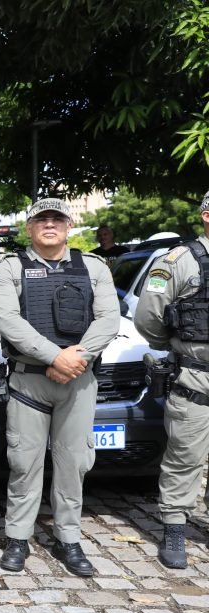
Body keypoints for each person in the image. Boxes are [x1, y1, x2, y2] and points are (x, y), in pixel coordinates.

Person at [0, 198, 120, 576]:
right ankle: (17, 538)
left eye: (57, 219)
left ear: (67, 225)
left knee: (73, 464)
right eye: (41, 220)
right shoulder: (10, 267)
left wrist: (76, 358)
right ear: (29, 228)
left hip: (79, 380)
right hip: (29, 381)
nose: (50, 225)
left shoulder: (93, 267)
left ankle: (68, 539)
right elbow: (7, 319)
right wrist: (53, 356)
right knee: (24, 463)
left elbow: (109, 318)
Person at [133, 189, 209, 569]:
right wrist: (177, 346)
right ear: (206, 216)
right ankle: (175, 526)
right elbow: (148, 317)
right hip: (196, 377)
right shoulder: (177, 262)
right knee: (185, 455)